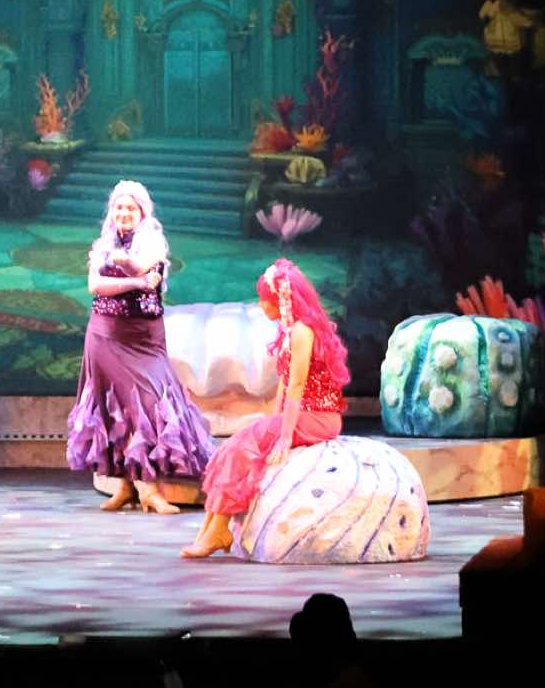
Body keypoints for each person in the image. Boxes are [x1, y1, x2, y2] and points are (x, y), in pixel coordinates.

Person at [182, 258, 349, 557]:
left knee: (243, 446)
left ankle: (218, 530)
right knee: (232, 445)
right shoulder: (290, 329)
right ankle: (210, 530)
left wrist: (283, 435)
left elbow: (298, 385)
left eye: (265, 300)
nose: (261, 306)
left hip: (318, 417)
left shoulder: (302, 331)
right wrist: (273, 421)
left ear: (282, 301)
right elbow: (285, 381)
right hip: (300, 414)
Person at [66, 180, 215, 513]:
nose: (123, 213)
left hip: (143, 337)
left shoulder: (153, 243)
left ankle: (148, 488)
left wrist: (128, 269)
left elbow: (138, 265)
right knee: (113, 407)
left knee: (147, 403)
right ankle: (128, 487)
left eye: (130, 208)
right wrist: (136, 283)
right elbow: (95, 285)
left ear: (142, 213)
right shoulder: (102, 244)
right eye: (118, 207)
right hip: (105, 333)